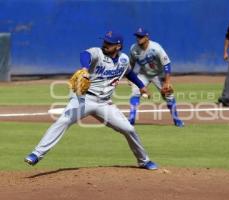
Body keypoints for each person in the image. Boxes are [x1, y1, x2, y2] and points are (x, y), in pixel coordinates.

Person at [24, 31, 158, 170]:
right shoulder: (97, 52)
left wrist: (142, 86)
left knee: (129, 129)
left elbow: (129, 73)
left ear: (118, 46)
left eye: (109, 43)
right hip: (84, 99)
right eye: (104, 41)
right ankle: (36, 154)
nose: (105, 44)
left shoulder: (124, 59)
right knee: (63, 121)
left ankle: (144, 161)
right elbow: (85, 55)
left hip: (105, 104)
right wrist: (85, 68)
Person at [128, 27, 184, 127]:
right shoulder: (133, 49)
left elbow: (166, 64)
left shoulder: (156, 48)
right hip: (143, 74)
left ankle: (177, 120)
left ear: (147, 37)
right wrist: (130, 77)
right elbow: (131, 64)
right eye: (137, 36)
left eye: (141, 36)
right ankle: (131, 119)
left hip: (159, 74)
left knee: (168, 96)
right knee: (135, 92)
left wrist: (167, 81)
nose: (138, 38)